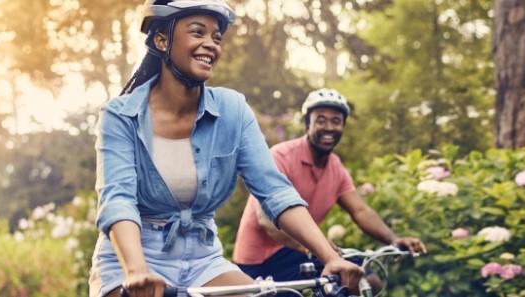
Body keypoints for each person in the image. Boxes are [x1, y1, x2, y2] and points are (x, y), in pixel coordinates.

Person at [88, 1, 363, 297]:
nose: (210, 45)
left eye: (216, 37)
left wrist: (330, 257)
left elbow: (275, 191)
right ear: (162, 40)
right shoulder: (120, 115)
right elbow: (118, 199)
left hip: (202, 259)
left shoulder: (233, 109)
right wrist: (136, 271)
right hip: (132, 258)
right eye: (198, 33)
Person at [233, 88, 428, 296]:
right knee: (337, 283)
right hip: (260, 260)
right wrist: (317, 248)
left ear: (343, 126)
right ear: (308, 123)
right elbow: (267, 221)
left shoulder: (335, 167)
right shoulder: (281, 156)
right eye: (321, 120)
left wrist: (393, 239)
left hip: (302, 251)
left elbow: (360, 210)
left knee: (366, 280)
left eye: (336, 121)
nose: (329, 127)